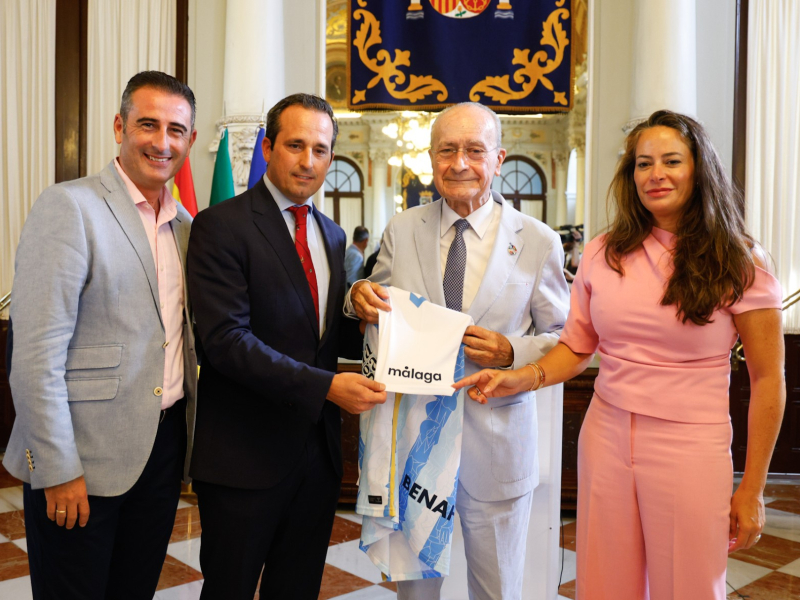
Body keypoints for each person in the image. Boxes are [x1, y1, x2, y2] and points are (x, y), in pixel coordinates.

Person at [455, 110, 786, 600]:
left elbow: (768, 380)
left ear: (699, 169)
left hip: (690, 445)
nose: (655, 175)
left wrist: (752, 488)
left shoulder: (740, 260)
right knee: (606, 583)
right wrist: (517, 376)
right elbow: (575, 349)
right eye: (642, 163)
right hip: (606, 438)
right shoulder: (603, 252)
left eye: (671, 161)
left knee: (689, 586)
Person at [348, 101, 570, 600]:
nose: (460, 163)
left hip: (495, 445)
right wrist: (354, 296)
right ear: (431, 158)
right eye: (447, 150)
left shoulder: (537, 241)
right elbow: (375, 300)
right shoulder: (401, 230)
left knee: (496, 592)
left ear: (499, 158)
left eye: (474, 150)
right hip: (413, 447)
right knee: (415, 595)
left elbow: (565, 337)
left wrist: (511, 349)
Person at [4, 70, 199, 599]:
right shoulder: (69, 207)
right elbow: (35, 355)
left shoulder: (186, 226)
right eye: (148, 125)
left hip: (159, 451)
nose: (162, 142)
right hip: (81, 458)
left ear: (190, 140)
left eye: (176, 130)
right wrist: (58, 467)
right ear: (120, 126)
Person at [187, 93, 386, 600]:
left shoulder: (333, 234)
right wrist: (327, 389)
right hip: (242, 457)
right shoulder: (221, 225)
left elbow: (325, 336)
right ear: (269, 147)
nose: (308, 161)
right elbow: (225, 342)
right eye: (295, 145)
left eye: (320, 150)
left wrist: (371, 315)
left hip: (316, 462)